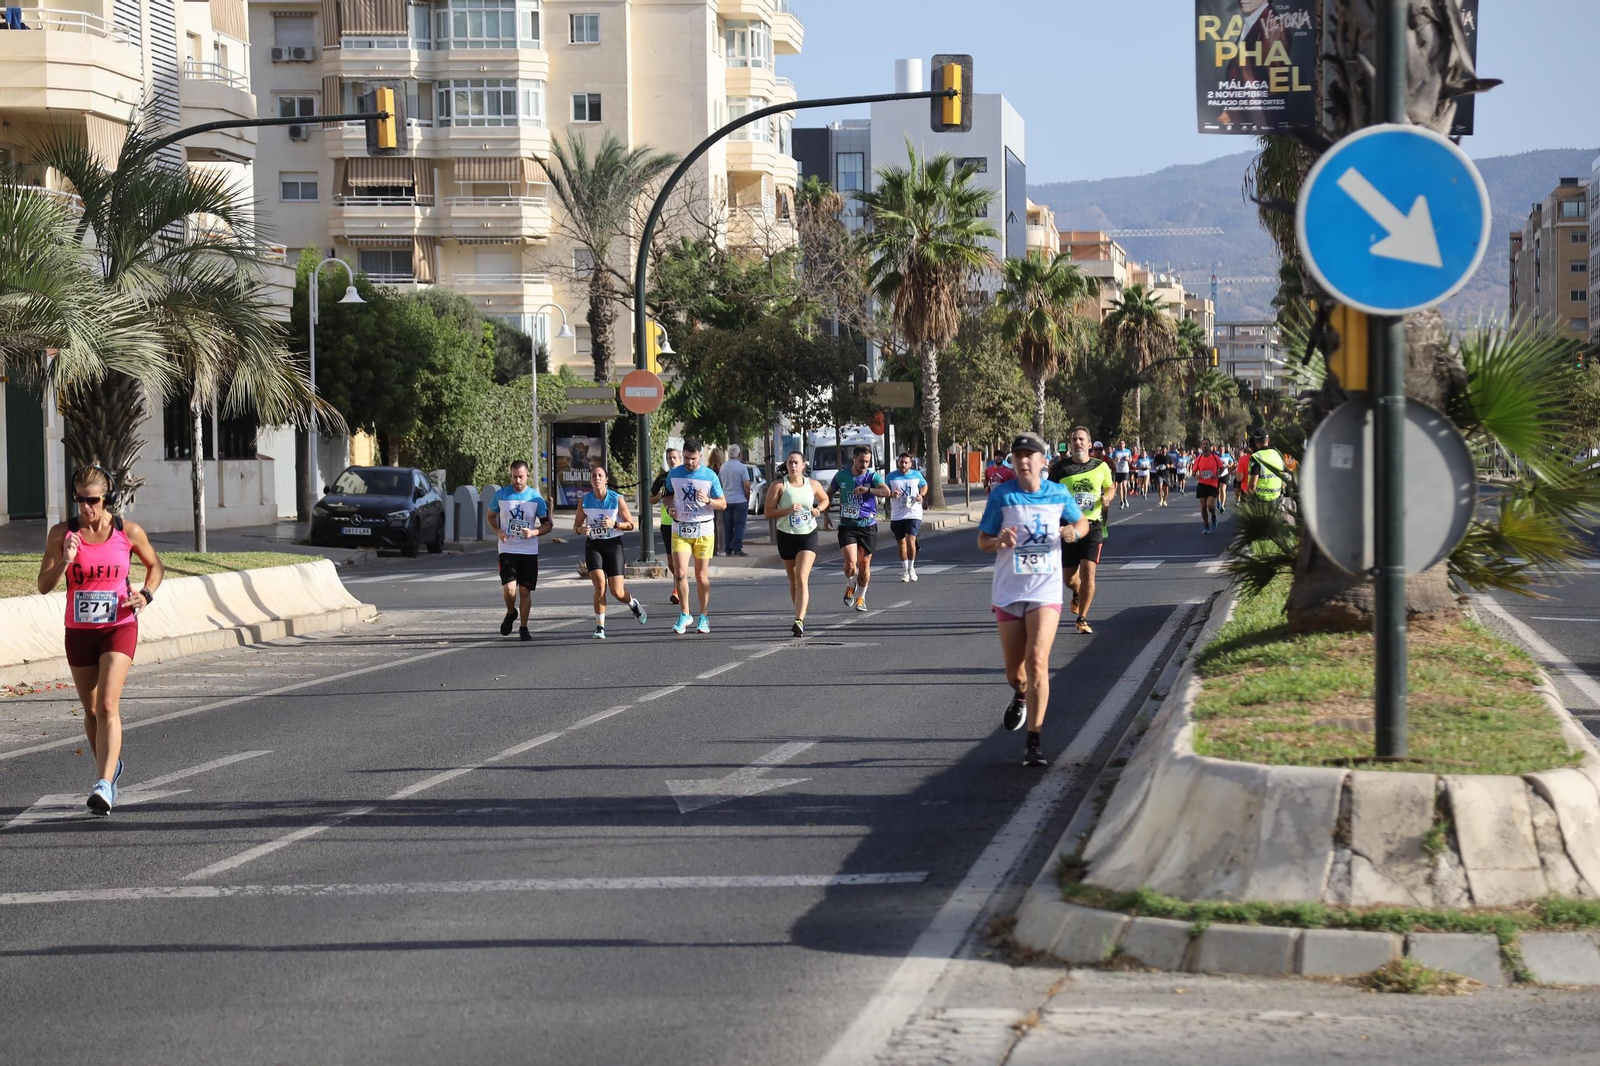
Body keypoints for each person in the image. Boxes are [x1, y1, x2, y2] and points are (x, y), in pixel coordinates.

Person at [36, 466, 163, 814]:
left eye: (92, 500)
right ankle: (110, 768)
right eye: (79, 499)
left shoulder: (127, 532)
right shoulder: (62, 533)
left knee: (108, 704)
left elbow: (156, 566)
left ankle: (104, 784)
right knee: (91, 709)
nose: (86, 507)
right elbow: (43, 585)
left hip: (119, 624)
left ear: (106, 497)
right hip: (78, 631)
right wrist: (65, 559)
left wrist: (146, 595)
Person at [978, 433, 1090, 768]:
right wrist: (999, 540)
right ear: (1013, 462)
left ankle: (1034, 742)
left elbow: (1081, 521)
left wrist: (1075, 532)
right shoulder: (1002, 496)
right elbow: (982, 541)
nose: (1024, 461)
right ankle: (1020, 694)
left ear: (1044, 462)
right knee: (1016, 672)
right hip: (1009, 591)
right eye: (1018, 456)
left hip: (1045, 589)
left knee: (1038, 661)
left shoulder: (1058, 493)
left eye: (1031, 455)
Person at [1052, 427, 1116, 635]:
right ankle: (1077, 592)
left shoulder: (1101, 466)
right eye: (1074, 439)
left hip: (1093, 525)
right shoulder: (1060, 468)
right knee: (1069, 579)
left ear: (1089, 444)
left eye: (1081, 439)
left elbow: (1110, 486)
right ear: (1070, 444)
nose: (1077, 442)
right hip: (1068, 528)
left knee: (1089, 571)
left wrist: (1108, 496)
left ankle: (1083, 618)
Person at [573, 465, 647, 639]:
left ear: (606, 480)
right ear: (590, 480)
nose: (597, 478)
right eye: (593, 476)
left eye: (600, 475)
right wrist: (580, 530)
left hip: (613, 545)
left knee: (617, 591)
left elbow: (631, 524)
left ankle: (632, 604)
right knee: (600, 586)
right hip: (594, 545)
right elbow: (575, 526)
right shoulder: (585, 501)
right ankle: (600, 627)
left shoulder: (616, 499)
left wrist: (614, 524)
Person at [487, 460, 553, 641]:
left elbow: (547, 525)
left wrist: (534, 532)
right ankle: (510, 612)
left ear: (528, 476)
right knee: (509, 590)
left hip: (529, 550)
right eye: (514, 477)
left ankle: (524, 627)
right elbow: (490, 516)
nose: (517, 481)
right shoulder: (501, 495)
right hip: (507, 548)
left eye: (521, 477)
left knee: (525, 591)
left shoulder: (535, 498)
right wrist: (497, 531)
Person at [766, 451, 830, 637]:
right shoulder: (779, 485)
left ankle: (799, 620)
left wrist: (818, 509)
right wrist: (786, 510)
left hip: (807, 534)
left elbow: (825, 499)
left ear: (803, 465)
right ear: (786, 465)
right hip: (786, 534)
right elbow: (768, 513)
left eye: (796, 463)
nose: (793, 466)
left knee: (802, 577)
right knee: (793, 579)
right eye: (790, 463)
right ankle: (798, 614)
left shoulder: (812, 484)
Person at [666, 439, 727, 634]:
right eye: (686, 458)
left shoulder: (710, 476)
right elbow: (666, 495)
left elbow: (723, 504)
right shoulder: (674, 474)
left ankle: (704, 616)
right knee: (680, 573)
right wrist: (670, 507)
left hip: (703, 529)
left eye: (693, 458)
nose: (689, 462)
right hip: (680, 528)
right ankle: (685, 613)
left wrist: (708, 500)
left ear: (700, 455)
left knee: (701, 576)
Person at [831, 445, 890, 611]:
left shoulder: (872, 476)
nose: (864, 465)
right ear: (854, 459)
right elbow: (827, 494)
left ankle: (861, 598)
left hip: (867, 526)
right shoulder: (842, 475)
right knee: (850, 563)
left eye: (867, 461)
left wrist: (868, 490)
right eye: (862, 461)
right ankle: (851, 586)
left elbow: (887, 492)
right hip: (847, 525)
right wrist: (826, 514)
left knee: (864, 565)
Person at [887, 452, 929, 582]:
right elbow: (885, 490)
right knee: (901, 543)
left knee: (911, 539)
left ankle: (911, 568)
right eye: (901, 462)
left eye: (906, 462)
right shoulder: (891, 476)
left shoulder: (916, 475)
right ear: (898, 462)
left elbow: (924, 486)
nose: (903, 465)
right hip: (897, 514)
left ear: (910, 464)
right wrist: (891, 494)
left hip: (913, 512)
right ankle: (905, 570)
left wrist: (921, 495)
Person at [650, 448, 683, 606]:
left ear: (680, 459)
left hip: (683, 521)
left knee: (679, 558)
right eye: (669, 458)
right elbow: (651, 499)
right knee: (671, 559)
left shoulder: (685, 476)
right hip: (667, 522)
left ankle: (677, 588)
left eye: (675, 457)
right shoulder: (662, 478)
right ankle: (679, 581)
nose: (672, 460)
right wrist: (658, 496)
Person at [1240, 428, 1291, 504]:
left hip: (1261, 501)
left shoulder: (1256, 457)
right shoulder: (1277, 455)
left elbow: (1253, 484)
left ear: (1256, 442)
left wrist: (1249, 498)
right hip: (1277, 499)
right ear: (1268, 440)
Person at [720, 444, 752, 556]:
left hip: (726, 500)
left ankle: (728, 548)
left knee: (728, 526)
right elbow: (747, 485)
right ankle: (737, 548)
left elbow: (720, 484)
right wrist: (747, 498)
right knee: (739, 526)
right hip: (739, 500)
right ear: (739, 454)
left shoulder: (723, 467)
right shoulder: (742, 467)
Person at [1192, 440, 1224, 535]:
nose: (1205, 446)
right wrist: (1196, 476)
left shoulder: (1215, 457)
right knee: (1203, 507)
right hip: (1202, 484)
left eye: (1207, 444)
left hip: (1212, 484)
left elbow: (1222, 468)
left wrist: (1217, 475)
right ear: (1201, 446)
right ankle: (1206, 526)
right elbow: (1194, 472)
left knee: (1210, 505)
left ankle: (1213, 516)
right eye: (1203, 444)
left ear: (1210, 446)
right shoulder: (1199, 458)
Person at [1109, 439, 1133, 508]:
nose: (1121, 444)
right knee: (1120, 487)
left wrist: (1128, 459)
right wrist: (1116, 460)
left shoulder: (1128, 451)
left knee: (1124, 485)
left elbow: (1130, 460)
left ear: (1124, 445)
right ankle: (1121, 501)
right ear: (1119, 445)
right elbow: (1112, 461)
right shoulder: (1116, 452)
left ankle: (1125, 498)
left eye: (1123, 443)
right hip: (1118, 471)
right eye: (1120, 443)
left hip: (1125, 470)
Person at [1218, 442, 1236, 513]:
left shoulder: (1227, 455)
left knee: (1223, 489)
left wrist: (1229, 465)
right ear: (1218, 450)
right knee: (1218, 491)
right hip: (1217, 474)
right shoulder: (1216, 456)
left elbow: (1232, 463)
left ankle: (1222, 505)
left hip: (1225, 474)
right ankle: (1218, 500)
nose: (1221, 451)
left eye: (1222, 449)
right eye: (1220, 449)